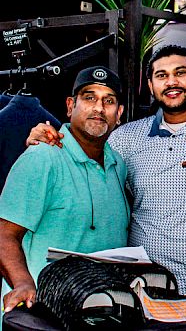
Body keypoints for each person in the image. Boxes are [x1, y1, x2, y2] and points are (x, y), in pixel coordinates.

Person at [27, 45, 186, 331]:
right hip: (148, 292)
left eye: (180, 73)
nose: (171, 81)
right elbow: (84, 150)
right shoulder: (126, 138)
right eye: (161, 75)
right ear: (151, 85)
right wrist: (47, 137)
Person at [0, 66, 129, 315]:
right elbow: (4, 234)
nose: (99, 108)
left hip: (99, 311)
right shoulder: (43, 157)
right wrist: (23, 283)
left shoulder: (118, 165)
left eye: (109, 101)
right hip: (44, 311)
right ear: (70, 106)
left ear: (119, 113)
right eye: (89, 97)